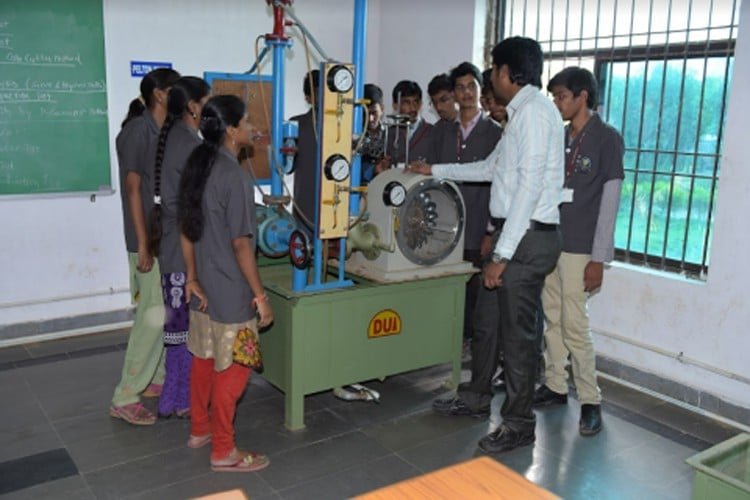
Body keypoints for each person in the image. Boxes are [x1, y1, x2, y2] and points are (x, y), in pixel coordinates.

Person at [408, 36, 564, 454]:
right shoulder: (520, 116)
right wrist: (434, 168)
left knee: (518, 337)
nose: (491, 78)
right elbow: (490, 168)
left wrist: (504, 254)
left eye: (494, 70)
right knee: (486, 323)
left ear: (509, 72)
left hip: (528, 239)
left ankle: (518, 423)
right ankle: (476, 397)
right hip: (514, 235)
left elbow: (529, 189)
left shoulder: (533, 115)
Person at [179, 94, 272, 472]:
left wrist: (192, 277)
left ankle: (199, 429)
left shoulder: (199, 164)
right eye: (247, 122)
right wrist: (260, 296)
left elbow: (186, 226)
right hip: (232, 290)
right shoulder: (232, 174)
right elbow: (241, 244)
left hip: (205, 289)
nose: (253, 127)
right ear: (232, 130)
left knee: (204, 359)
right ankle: (223, 450)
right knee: (234, 370)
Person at [533, 67, 624, 437]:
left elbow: (610, 201)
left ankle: (590, 400)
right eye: (553, 97)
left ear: (583, 95)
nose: (557, 103)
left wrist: (599, 258)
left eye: (561, 96)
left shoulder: (607, 139)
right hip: (552, 240)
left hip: (581, 249)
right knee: (552, 318)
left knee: (575, 324)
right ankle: (555, 385)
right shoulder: (559, 136)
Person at [110, 67, 180, 426]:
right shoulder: (137, 131)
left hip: (160, 236)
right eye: (176, 91)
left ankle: (154, 378)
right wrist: (144, 245)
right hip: (146, 240)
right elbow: (134, 190)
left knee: (162, 310)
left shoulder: (163, 131)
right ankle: (125, 395)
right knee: (151, 317)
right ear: (160, 94)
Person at [427, 62, 503, 361]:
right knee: (443, 286)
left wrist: (489, 230)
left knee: (474, 291)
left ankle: (471, 344)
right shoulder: (442, 132)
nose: (466, 92)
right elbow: (431, 176)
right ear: (454, 93)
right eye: (460, 87)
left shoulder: (495, 133)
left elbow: (498, 185)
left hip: (477, 227)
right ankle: (446, 339)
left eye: (472, 86)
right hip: (443, 228)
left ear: (480, 89)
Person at [146, 76, 210, 419]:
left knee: (177, 331)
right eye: (206, 101)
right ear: (193, 106)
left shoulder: (170, 137)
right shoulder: (188, 143)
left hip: (171, 248)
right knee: (186, 333)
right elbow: (193, 204)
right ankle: (183, 399)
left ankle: (173, 398)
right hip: (184, 253)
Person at [290, 70, 320, 236]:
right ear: (307, 97)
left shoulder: (345, 127)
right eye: (317, 93)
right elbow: (285, 165)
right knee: (303, 250)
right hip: (306, 205)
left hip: (338, 206)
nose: (324, 98)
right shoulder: (296, 125)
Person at [384, 80, 432, 166]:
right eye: (406, 102)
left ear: (421, 104)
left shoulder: (433, 132)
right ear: (395, 106)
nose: (413, 108)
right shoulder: (388, 134)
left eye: (416, 102)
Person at [360, 83, 388, 183]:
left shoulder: (391, 134)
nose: (370, 119)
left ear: (382, 108)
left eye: (374, 112)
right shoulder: (354, 136)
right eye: (365, 114)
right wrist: (373, 169)